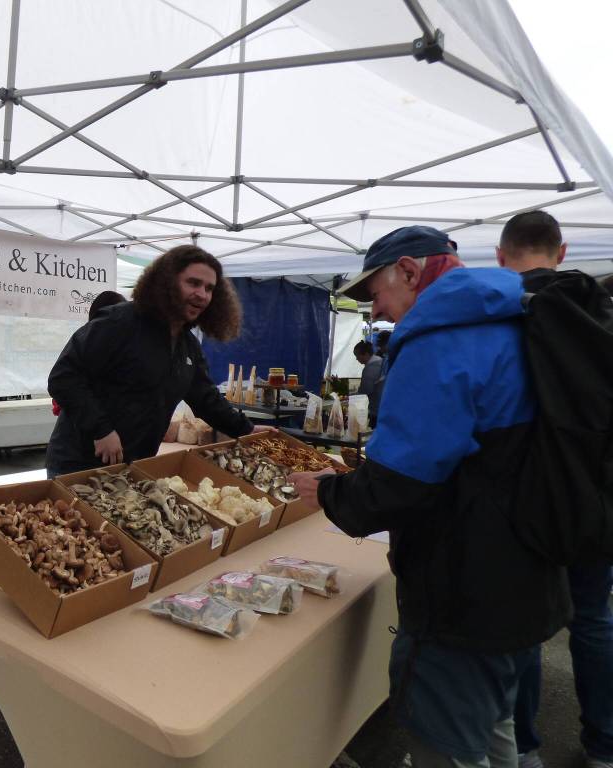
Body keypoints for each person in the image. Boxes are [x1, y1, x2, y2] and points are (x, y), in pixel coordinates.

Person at [290, 225, 570, 767]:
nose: (377, 311)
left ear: (411, 272)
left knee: (448, 747)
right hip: (529, 576)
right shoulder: (513, 315)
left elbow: (400, 483)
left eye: (376, 295)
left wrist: (331, 492)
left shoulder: (441, 336)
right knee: (496, 727)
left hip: (464, 593)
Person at [497, 210, 613, 768]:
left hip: (531, 495)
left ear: (500, 256)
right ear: (562, 252)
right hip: (599, 493)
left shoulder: (506, 312)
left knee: (525, 626)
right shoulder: (602, 312)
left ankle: (524, 749)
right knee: (594, 619)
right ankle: (605, 745)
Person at [45, 244, 267, 477]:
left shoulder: (188, 345)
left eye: (209, 288)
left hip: (134, 465)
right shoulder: (119, 322)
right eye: (193, 283)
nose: (202, 294)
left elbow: (206, 399)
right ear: (167, 282)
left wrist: (247, 429)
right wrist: (101, 431)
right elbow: (63, 378)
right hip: (79, 464)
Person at [52, 291, 128, 417]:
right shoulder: (92, 345)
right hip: (82, 429)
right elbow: (60, 382)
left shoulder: (86, 340)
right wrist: (103, 431)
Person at [352, 340, 383, 422]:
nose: (356, 359)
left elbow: (365, 391)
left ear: (366, 354)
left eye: (357, 356)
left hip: (376, 409)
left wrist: (351, 396)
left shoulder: (371, 367)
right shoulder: (380, 361)